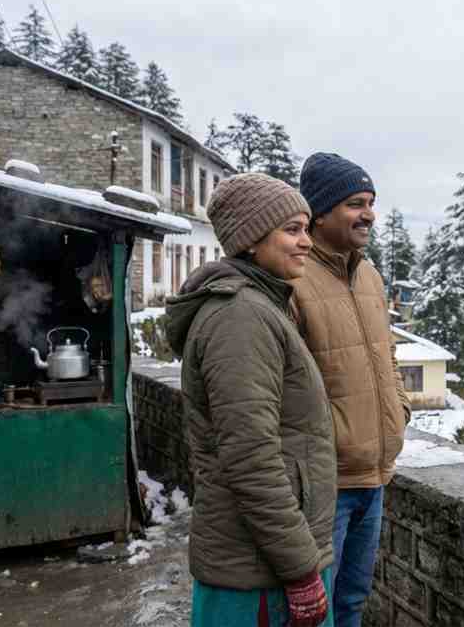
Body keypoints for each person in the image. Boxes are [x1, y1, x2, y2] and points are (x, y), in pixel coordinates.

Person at [165, 173, 336, 627]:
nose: (306, 243)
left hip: (263, 563)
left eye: (306, 228)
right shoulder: (241, 316)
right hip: (259, 576)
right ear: (251, 241)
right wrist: (301, 571)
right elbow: (250, 457)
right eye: (292, 230)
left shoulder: (258, 306)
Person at [290, 152, 411, 627]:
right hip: (327, 484)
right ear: (319, 213)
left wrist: (399, 409)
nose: (369, 214)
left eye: (372, 202)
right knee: (314, 612)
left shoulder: (369, 275)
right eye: (355, 203)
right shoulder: (294, 281)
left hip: (376, 478)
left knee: (353, 601)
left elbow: (388, 356)